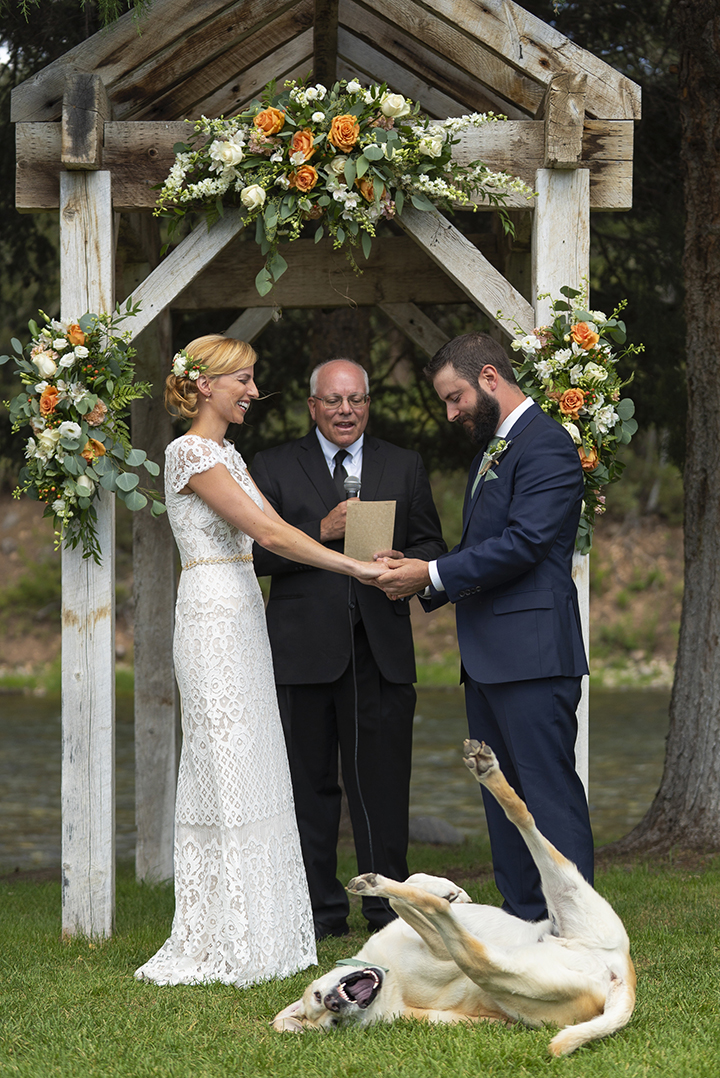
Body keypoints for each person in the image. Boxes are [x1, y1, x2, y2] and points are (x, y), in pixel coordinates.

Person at [134, 336, 384, 987]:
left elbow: (281, 528)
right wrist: (356, 565)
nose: (252, 390)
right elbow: (271, 535)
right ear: (208, 385)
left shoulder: (229, 452)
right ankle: (225, 929)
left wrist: (353, 542)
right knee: (225, 758)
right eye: (242, 379)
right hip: (212, 610)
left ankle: (266, 923)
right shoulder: (188, 452)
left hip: (246, 608)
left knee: (257, 758)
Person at [376, 332, 593, 922]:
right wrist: (421, 573)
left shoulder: (545, 444)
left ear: (490, 377)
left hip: (533, 656)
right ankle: (526, 921)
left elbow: (524, 545)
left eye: (455, 398)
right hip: (491, 658)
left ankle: (577, 932)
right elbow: (483, 547)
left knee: (547, 796)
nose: (450, 413)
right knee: (504, 800)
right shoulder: (493, 449)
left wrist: (433, 572)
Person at [251, 358, 446, 939]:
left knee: (382, 787)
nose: (345, 410)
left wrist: (405, 562)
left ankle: (389, 913)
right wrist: (320, 532)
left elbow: (432, 543)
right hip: (303, 654)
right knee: (309, 789)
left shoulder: (404, 465)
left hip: (380, 651)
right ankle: (318, 913)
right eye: (333, 401)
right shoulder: (273, 466)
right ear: (312, 406)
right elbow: (255, 557)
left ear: (368, 404)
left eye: (356, 400)